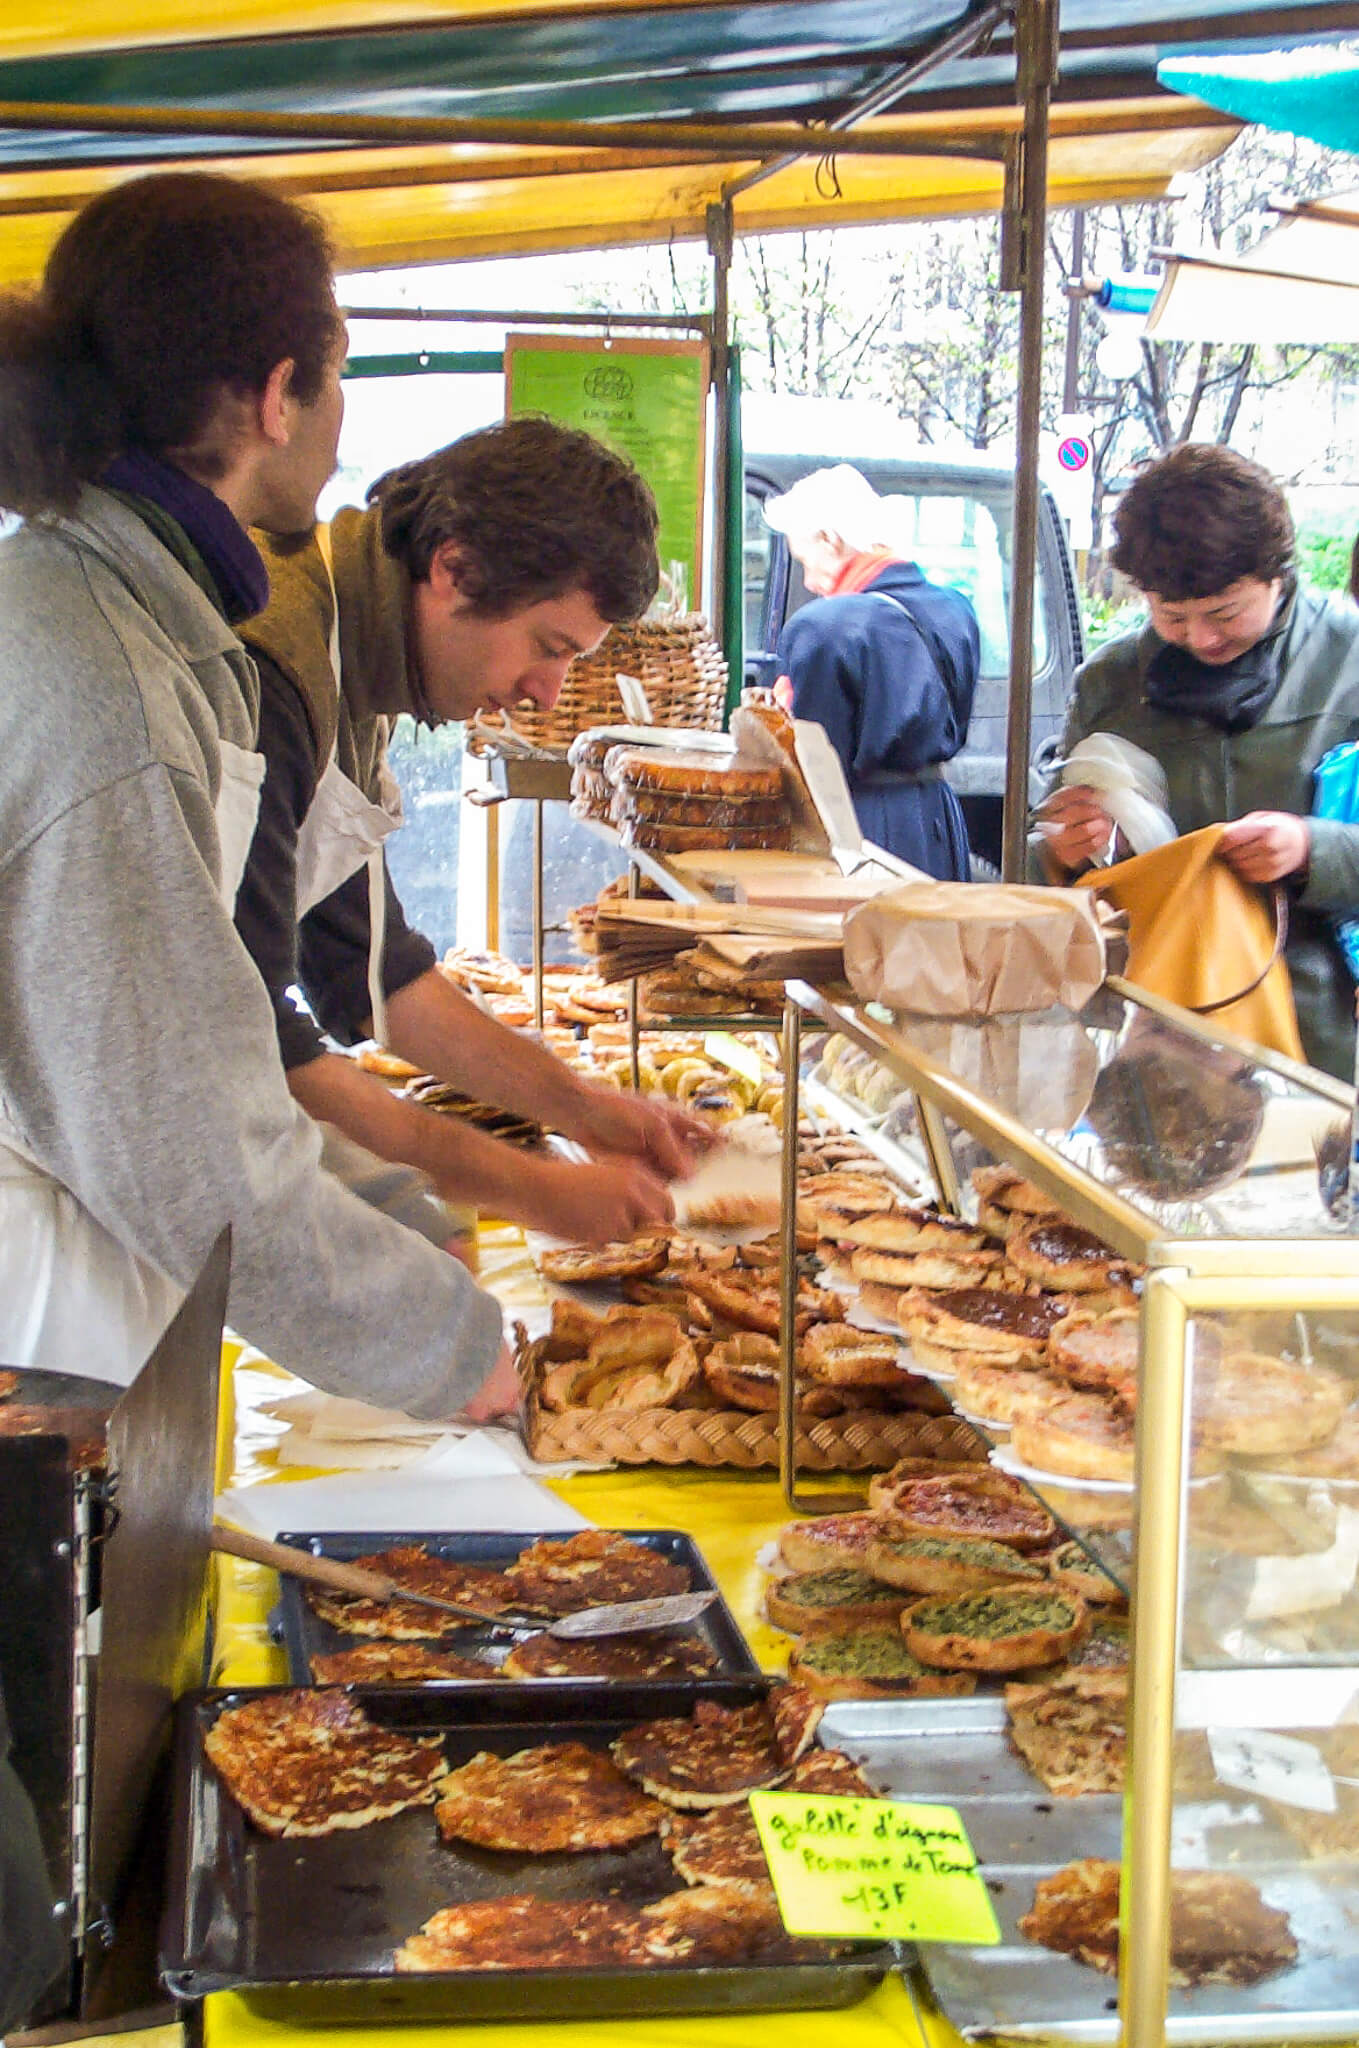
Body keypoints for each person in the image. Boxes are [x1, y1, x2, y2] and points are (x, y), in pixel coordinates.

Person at [0, 170, 516, 1418]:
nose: (341, 429)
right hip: (44, 1311)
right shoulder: (104, 674)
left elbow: (205, 1035)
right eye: (336, 380)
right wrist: (452, 1344)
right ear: (281, 394)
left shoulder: (133, 616)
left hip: (95, 1262)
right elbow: (182, 1140)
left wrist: (393, 1207)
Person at [234, 418, 707, 1241]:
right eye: (547, 646)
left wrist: (586, 1110)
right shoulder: (277, 666)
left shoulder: (358, 659)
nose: (548, 694)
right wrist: (528, 1188)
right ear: (453, 568)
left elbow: (375, 975)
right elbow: (251, 1042)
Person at [1036, 443, 1359, 1080]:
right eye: (1171, 615)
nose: (1201, 638)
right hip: (1149, 1030)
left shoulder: (1349, 659)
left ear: (1277, 574)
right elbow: (1046, 869)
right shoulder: (1110, 682)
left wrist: (1311, 849)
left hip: (1317, 1041)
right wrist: (1063, 850)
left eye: (1224, 612)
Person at [762, 463, 979, 878]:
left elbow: (814, 771)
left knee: (864, 942)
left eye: (804, 561)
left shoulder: (822, 628)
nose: (807, 581)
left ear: (829, 539)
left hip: (861, 828)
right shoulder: (957, 610)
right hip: (938, 818)